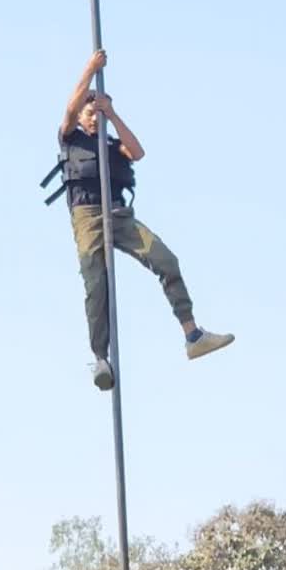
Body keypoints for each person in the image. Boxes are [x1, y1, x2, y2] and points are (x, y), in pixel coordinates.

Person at [46, 50, 234, 390]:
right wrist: (90, 70)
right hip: (87, 215)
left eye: (96, 113)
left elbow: (137, 152)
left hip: (118, 213)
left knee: (166, 260)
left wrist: (112, 114)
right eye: (92, 112)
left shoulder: (110, 141)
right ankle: (100, 357)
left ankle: (192, 334)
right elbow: (71, 109)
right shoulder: (71, 136)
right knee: (96, 285)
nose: (93, 118)